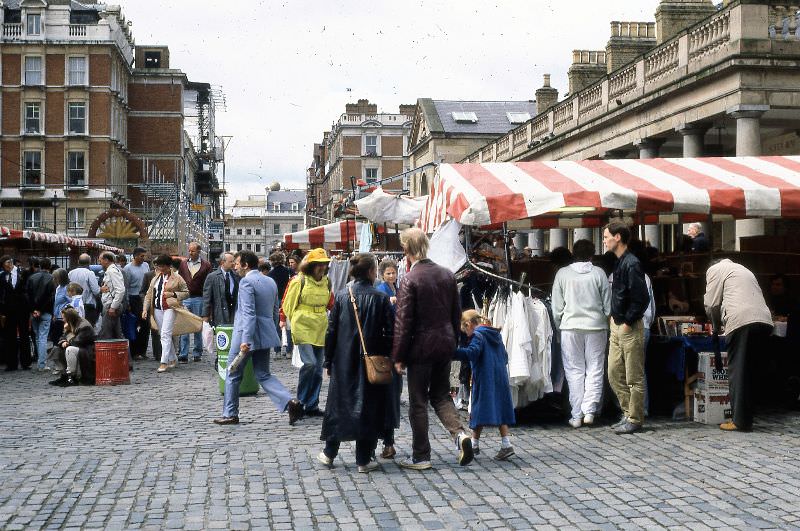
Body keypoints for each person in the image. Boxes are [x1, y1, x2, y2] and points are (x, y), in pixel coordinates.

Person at [391, 228, 473, 470]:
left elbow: (403, 321)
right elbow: (456, 313)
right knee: (441, 395)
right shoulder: (447, 275)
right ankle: (459, 435)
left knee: (418, 401)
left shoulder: (410, 279)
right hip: (444, 344)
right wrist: (454, 341)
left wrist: (398, 355)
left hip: (420, 348)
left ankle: (421, 455)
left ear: (406, 250)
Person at [317, 253, 394, 473]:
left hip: (343, 360)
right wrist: (388, 356)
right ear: (371, 272)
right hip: (373, 360)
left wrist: (328, 360)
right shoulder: (380, 298)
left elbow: (331, 332)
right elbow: (390, 333)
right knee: (368, 407)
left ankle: (329, 452)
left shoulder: (341, 295)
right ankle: (363, 459)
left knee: (338, 406)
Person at [213, 250, 303, 426]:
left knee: (232, 373)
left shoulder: (246, 282)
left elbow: (248, 313)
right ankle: (289, 402)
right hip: (265, 333)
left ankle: (230, 413)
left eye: (237, 263)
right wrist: (273, 329)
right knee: (263, 374)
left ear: (246, 265)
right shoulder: (269, 281)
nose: (235, 266)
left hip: (246, 335)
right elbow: (276, 309)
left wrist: (246, 340)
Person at [704, 259, 773, 431]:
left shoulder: (715, 269)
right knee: (752, 370)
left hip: (742, 320)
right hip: (764, 320)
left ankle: (740, 421)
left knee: (738, 372)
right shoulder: (743, 268)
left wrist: (715, 325)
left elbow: (711, 303)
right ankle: (749, 416)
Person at [551, 239, 611, 428]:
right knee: (595, 368)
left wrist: (560, 326)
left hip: (570, 327)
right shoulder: (599, 273)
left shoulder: (562, 274)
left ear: (573, 253)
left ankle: (576, 414)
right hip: (596, 326)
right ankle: (590, 410)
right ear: (592, 255)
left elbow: (556, 307)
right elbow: (608, 304)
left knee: (574, 370)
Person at [603, 221, 650, 434]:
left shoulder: (631, 263)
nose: (604, 241)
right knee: (613, 372)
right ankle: (627, 413)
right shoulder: (620, 262)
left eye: (606, 237)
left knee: (634, 376)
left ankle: (635, 418)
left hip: (628, 326)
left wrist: (628, 322)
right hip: (618, 324)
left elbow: (641, 298)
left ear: (618, 237)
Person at [455, 310, 516, 460]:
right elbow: (505, 357)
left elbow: (472, 353)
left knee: (477, 409)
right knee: (499, 409)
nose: (466, 335)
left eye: (465, 331)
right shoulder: (494, 334)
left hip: (484, 378)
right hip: (499, 377)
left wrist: (453, 352)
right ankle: (504, 444)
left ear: (469, 325)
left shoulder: (478, 335)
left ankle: (476, 444)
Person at [283, 248, 334, 418]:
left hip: (320, 327)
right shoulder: (299, 281)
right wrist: (296, 321)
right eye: (318, 264)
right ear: (311, 265)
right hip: (303, 326)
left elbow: (329, 303)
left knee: (318, 369)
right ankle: (300, 402)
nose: (322, 267)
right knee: (310, 364)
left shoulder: (327, 282)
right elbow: (288, 306)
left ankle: (312, 405)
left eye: (324, 264)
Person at [142, 255, 189, 373]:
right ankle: (173, 358)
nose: (160, 268)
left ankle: (164, 362)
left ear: (169, 266)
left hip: (170, 308)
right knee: (164, 335)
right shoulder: (156, 278)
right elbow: (149, 295)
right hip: (157, 308)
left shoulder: (177, 277)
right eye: (158, 266)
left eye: (162, 266)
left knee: (165, 334)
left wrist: (174, 295)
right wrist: (145, 309)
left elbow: (186, 292)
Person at [375, 258, 401, 458]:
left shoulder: (396, 290)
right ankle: (385, 442)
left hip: (393, 349)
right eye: (389, 273)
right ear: (382, 274)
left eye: (394, 273)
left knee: (391, 395)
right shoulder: (382, 292)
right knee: (387, 395)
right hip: (386, 350)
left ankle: (388, 442)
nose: (392, 276)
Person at [177, 242, 212, 362]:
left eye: (192, 251)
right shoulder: (183, 264)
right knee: (184, 326)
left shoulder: (206, 265)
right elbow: (180, 280)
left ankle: (197, 352)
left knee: (198, 326)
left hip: (199, 298)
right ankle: (183, 353)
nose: (190, 253)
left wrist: (208, 300)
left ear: (198, 252)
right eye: (189, 250)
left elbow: (208, 283)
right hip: (186, 298)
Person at [48, 307, 96, 386]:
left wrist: (67, 341)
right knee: (56, 349)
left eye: (64, 318)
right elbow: (62, 338)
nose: (63, 320)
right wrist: (64, 340)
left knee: (70, 349)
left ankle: (71, 376)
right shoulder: (71, 324)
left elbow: (77, 342)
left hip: (86, 351)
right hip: (79, 347)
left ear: (69, 318)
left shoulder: (84, 326)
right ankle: (64, 375)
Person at [0, 255, 33, 370]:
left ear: (10, 263)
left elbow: (29, 290)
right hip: (9, 310)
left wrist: (31, 307)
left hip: (22, 309)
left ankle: (25, 362)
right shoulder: (3, 276)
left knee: (24, 335)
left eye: (6, 266)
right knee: (10, 337)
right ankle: (11, 363)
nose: (5, 269)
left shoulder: (23, 273)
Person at [27, 257, 55, 370]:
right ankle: (42, 364)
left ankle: (41, 362)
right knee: (43, 337)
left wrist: (33, 310)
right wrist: (40, 310)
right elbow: (50, 298)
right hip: (46, 311)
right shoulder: (51, 278)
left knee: (38, 337)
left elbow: (28, 296)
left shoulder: (32, 277)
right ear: (49, 266)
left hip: (33, 312)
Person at [125, 247, 151, 360]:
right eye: (141, 256)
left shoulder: (145, 266)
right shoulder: (128, 269)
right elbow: (125, 287)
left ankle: (143, 350)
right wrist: (127, 303)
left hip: (144, 297)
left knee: (145, 325)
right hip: (133, 297)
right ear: (135, 256)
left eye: (144, 256)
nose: (143, 258)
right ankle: (134, 351)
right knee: (135, 325)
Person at [203, 252, 239, 329]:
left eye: (234, 261)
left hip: (234, 316)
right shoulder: (212, 277)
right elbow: (207, 298)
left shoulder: (237, 276)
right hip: (220, 316)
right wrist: (205, 316)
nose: (233, 264)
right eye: (231, 261)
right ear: (223, 262)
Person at [267, 252, 292, 358]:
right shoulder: (289, 271)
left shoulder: (270, 274)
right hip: (288, 299)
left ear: (273, 261)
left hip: (276, 300)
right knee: (289, 327)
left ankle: (277, 351)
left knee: (277, 326)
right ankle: (289, 351)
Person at [98, 252, 126, 340]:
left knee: (106, 334)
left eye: (101, 260)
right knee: (117, 333)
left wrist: (113, 307)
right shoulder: (112, 270)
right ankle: (122, 353)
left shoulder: (112, 271)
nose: (100, 262)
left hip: (110, 305)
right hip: (111, 305)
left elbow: (120, 290)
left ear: (106, 260)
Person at [68, 253, 101, 326]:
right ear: (89, 262)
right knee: (87, 327)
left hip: (73, 305)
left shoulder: (71, 273)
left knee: (75, 326)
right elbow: (96, 291)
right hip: (87, 305)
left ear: (78, 261)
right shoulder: (90, 273)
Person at [50, 268, 72, 349]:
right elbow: (56, 303)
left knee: (60, 339)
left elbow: (71, 302)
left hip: (63, 318)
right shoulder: (58, 287)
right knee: (55, 339)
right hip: (57, 317)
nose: (54, 280)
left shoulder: (67, 288)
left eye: (56, 278)